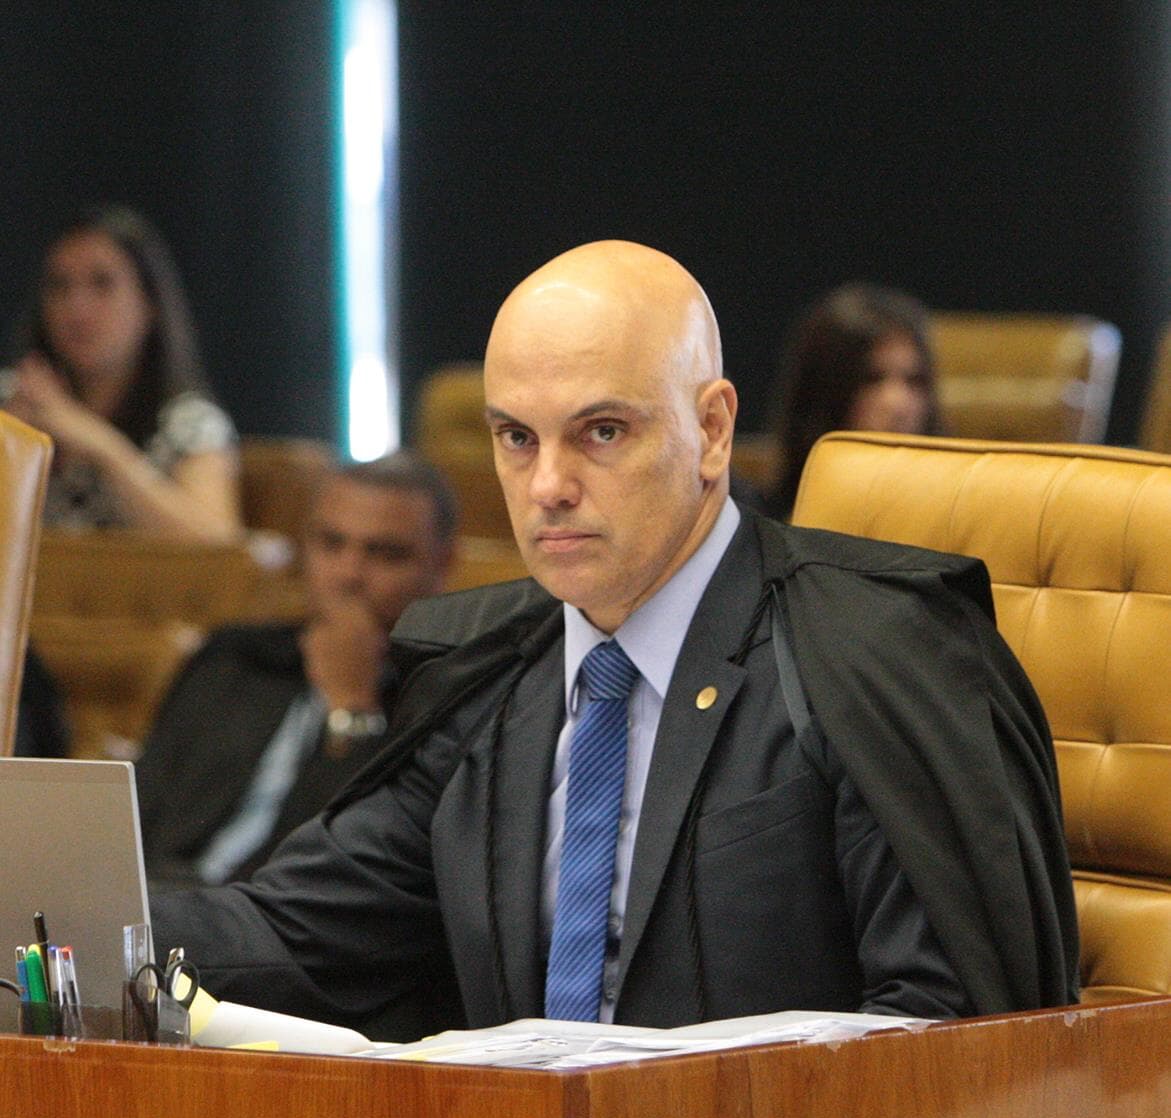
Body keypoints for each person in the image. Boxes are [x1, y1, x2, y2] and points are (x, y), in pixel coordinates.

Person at [152, 241, 1078, 1042]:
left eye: (600, 432)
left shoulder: (873, 654)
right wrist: (87, 928)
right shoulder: (485, 679)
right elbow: (293, 933)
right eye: (517, 438)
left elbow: (951, 1035)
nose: (547, 486)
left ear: (710, 430)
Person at [135, 451, 457, 889]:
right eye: (331, 544)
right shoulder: (235, 655)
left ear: (442, 565)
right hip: (165, 904)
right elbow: (140, 811)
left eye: (385, 554)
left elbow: (359, 870)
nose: (348, 574)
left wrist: (352, 707)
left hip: (289, 919)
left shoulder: (450, 697)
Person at [5, 204, 241, 542]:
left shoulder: (189, 423)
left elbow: (218, 548)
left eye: (102, 284)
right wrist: (9, 448)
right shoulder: (12, 401)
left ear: (150, 303)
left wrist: (101, 445)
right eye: (60, 286)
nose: (77, 308)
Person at [766, 283, 942, 519]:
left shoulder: (956, 511)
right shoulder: (767, 522)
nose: (897, 403)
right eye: (872, 380)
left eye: (914, 380)